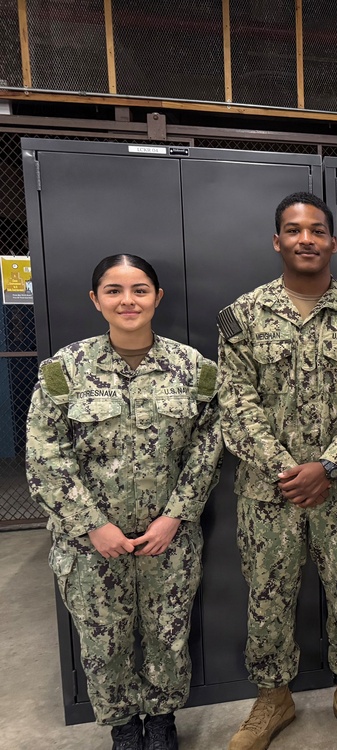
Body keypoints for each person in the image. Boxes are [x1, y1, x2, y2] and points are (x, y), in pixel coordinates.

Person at [218, 192, 337, 750]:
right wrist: (288, 470)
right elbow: (235, 404)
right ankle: (273, 696)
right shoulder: (243, 316)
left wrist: (330, 465)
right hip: (269, 492)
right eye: (294, 230)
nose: (306, 239)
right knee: (267, 595)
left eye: (317, 230)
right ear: (277, 241)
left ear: (332, 242)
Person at [25, 254, 223, 750]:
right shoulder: (64, 371)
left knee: (168, 634)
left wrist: (175, 516)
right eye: (114, 290)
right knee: (103, 640)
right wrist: (93, 525)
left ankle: (161, 721)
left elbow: (208, 448)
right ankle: (123, 727)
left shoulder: (194, 369)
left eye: (139, 290)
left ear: (157, 297)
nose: (127, 300)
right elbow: (45, 455)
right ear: (96, 300)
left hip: (168, 538)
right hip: (90, 544)